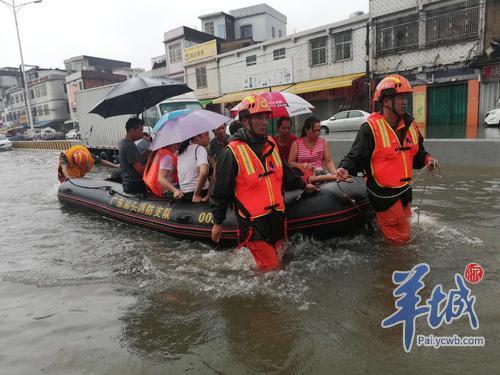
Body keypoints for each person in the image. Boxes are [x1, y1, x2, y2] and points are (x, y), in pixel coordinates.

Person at [210, 94, 317, 271]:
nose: (264, 122)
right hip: (254, 224)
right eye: (259, 118)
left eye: (265, 117)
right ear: (245, 122)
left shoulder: (271, 144)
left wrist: (304, 185)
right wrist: (217, 222)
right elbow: (221, 191)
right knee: (273, 271)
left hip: (277, 218)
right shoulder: (231, 153)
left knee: (279, 263)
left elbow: (285, 174)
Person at [336, 74, 438, 245]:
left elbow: (418, 155)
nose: (405, 102)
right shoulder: (371, 129)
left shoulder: (410, 125)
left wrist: (428, 160)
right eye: (399, 98)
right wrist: (345, 168)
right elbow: (356, 155)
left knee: (403, 236)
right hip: (384, 195)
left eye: (405, 98)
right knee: (401, 244)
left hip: (405, 192)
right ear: (385, 102)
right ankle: (392, 269)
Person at [288, 116, 337, 184]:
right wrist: (304, 165)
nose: (317, 133)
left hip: (320, 174)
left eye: (319, 130)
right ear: (306, 130)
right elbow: (290, 163)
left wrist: (334, 172)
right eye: (315, 130)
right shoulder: (296, 144)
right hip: (303, 177)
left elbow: (328, 161)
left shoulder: (323, 143)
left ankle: (337, 177)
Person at [177, 132, 211, 203]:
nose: (209, 137)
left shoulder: (181, 152)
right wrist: (197, 194)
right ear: (197, 137)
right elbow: (204, 172)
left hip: (184, 193)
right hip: (199, 193)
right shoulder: (200, 149)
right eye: (206, 134)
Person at [119, 118, 147, 194]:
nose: (142, 133)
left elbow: (136, 158)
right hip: (134, 184)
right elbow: (139, 170)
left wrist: (148, 152)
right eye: (140, 130)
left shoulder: (124, 142)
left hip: (128, 183)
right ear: (132, 130)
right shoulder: (129, 145)